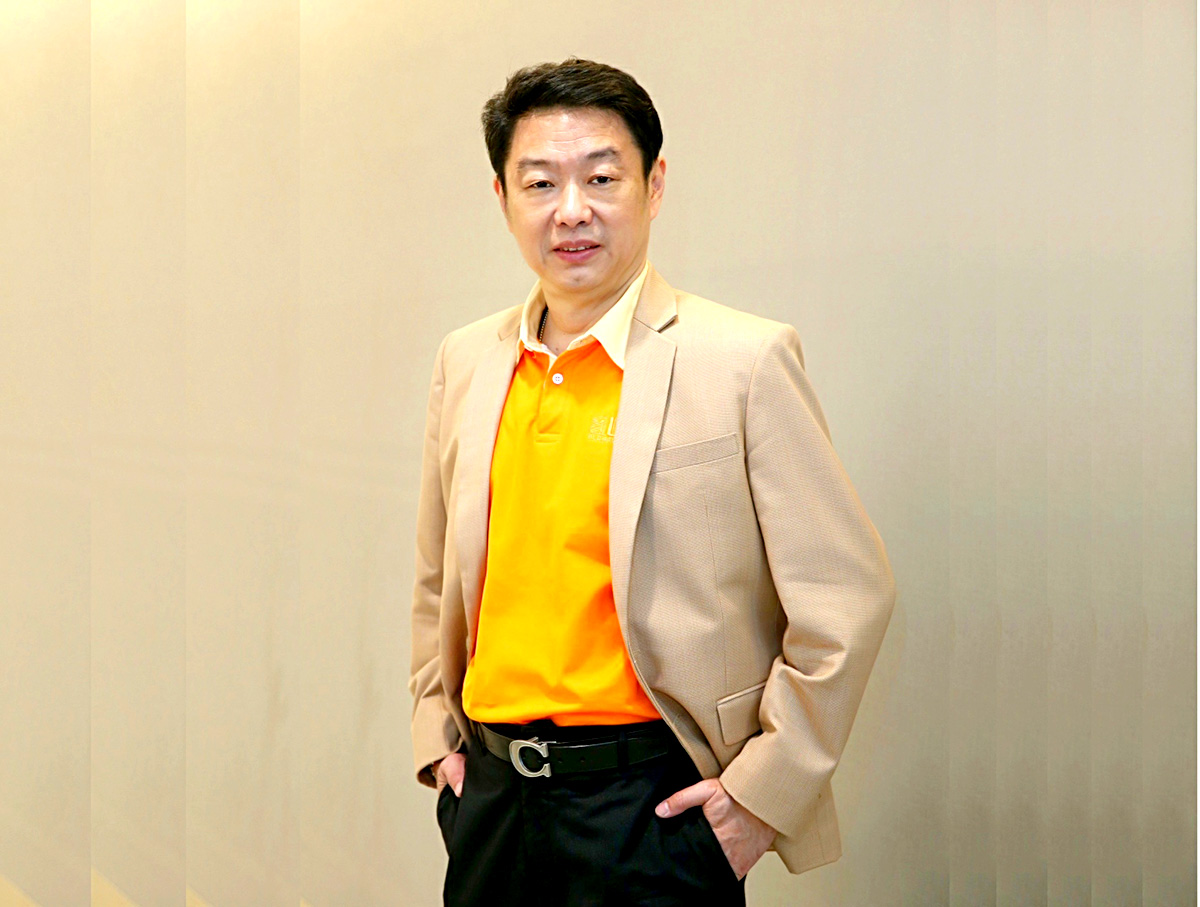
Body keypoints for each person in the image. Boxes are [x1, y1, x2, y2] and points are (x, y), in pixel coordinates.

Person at [409, 58, 895, 907]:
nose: (571, 209)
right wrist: (436, 738)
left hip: (654, 811)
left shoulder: (743, 360)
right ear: (503, 197)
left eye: (602, 177)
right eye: (540, 182)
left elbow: (847, 596)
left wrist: (759, 799)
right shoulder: (468, 360)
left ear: (653, 184)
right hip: (492, 803)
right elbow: (434, 577)